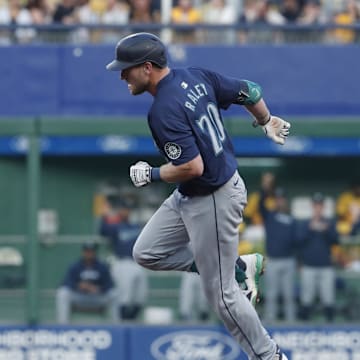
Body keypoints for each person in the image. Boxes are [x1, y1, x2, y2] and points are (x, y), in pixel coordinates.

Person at [106, 32, 291, 359]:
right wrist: (265, 119)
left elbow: (192, 166)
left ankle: (269, 355)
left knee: (223, 297)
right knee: (146, 252)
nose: (122, 75)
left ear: (147, 67)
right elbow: (251, 90)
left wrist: (150, 173)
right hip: (194, 194)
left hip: (213, 197)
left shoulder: (162, 109)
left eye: (127, 68)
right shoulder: (196, 75)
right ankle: (234, 266)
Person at [99, 197, 148, 320]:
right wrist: (105, 214)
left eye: (128, 209)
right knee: (124, 297)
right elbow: (102, 230)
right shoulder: (115, 226)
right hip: (122, 263)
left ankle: (131, 322)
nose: (126, 211)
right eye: (123, 209)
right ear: (119, 211)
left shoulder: (136, 226)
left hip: (138, 263)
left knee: (140, 297)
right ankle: (122, 323)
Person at [297, 192, 339, 322]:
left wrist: (327, 230)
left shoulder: (330, 222)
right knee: (307, 298)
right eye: (316, 205)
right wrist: (310, 228)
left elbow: (336, 240)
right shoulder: (305, 223)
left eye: (320, 205)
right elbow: (299, 241)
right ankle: (304, 329)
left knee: (328, 298)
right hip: (309, 265)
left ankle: (330, 329)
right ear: (312, 206)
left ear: (323, 207)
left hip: (326, 266)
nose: (318, 208)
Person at [260, 187, 297, 323]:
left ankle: (290, 321)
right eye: (277, 199)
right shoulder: (270, 216)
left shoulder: (291, 219)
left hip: (288, 260)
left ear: (285, 201)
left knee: (288, 294)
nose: (280, 201)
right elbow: (260, 205)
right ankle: (270, 320)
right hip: (273, 260)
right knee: (271, 294)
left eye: (282, 199)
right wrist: (265, 188)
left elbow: (296, 240)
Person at [56, 242, 118, 324]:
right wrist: (79, 285)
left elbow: (109, 285)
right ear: (83, 252)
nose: (89, 254)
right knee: (63, 293)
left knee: (113, 294)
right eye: (87, 251)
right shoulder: (75, 266)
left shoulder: (102, 267)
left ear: (95, 253)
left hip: (97, 297)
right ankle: (63, 326)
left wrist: (98, 288)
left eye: (91, 251)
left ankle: (117, 325)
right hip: (80, 297)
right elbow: (66, 283)